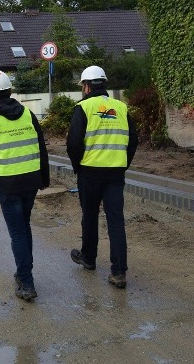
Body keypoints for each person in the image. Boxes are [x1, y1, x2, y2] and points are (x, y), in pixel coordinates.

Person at [0, 70, 49, 302]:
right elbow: (40, 147)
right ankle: (25, 271)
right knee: (24, 227)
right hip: (31, 182)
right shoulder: (28, 114)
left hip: (9, 185)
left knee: (17, 233)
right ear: (10, 91)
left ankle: (26, 281)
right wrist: (44, 178)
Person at [67, 65, 138, 289]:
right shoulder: (121, 107)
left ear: (87, 86)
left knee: (90, 215)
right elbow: (133, 141)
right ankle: (119, 272)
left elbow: (73, 143)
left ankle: (88, 258)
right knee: (116, 221)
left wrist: (77, 166)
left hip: (90, 172)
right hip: (115, 172)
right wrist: (122, 163)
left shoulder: (84, 107)